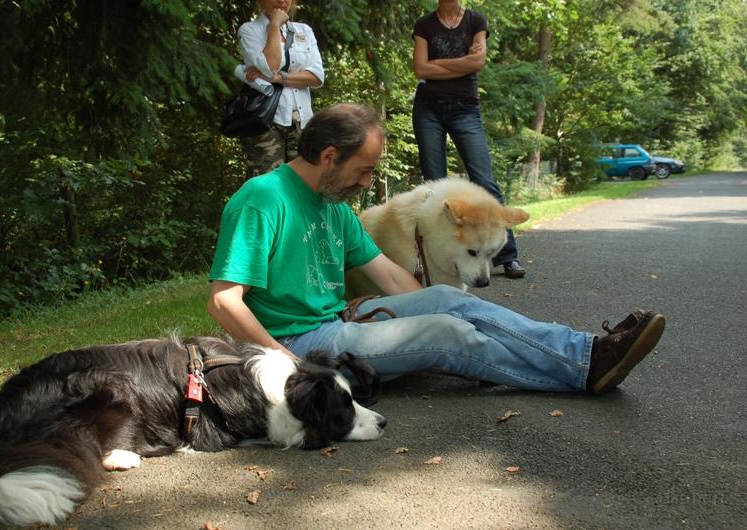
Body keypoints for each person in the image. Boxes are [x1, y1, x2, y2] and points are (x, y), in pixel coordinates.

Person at [207, 103, 666, 395]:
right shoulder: (263, 198)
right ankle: (585, 373)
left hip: (340, 321)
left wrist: (427, 306)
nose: (368, 183)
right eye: (363, 171)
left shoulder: (336, 209)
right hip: (299, 343)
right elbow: (224, 301)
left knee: (451, 301)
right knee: (448, 336)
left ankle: (585, 351)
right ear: (329, 157)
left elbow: (389, 276)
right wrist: (285, 362)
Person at [412, 0, 525, 279]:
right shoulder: (424, 24)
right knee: (433, 185)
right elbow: (420, 70)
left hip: (465, 107)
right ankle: (432, 257)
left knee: (484, 181)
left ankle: (508, 257)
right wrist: (461, 64)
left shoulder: (476, 21)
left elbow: (478, 62)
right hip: (428, 108)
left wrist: (438, 63)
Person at [236, 0, 325, 177]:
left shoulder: (304, 31)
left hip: (302, 122)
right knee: (266, 185)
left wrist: (277, 78)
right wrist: (274, 25)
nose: (282, 1)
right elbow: (271, 65)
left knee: (302, 183)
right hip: (265, 120)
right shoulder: (249, 30)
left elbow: (316, 77)